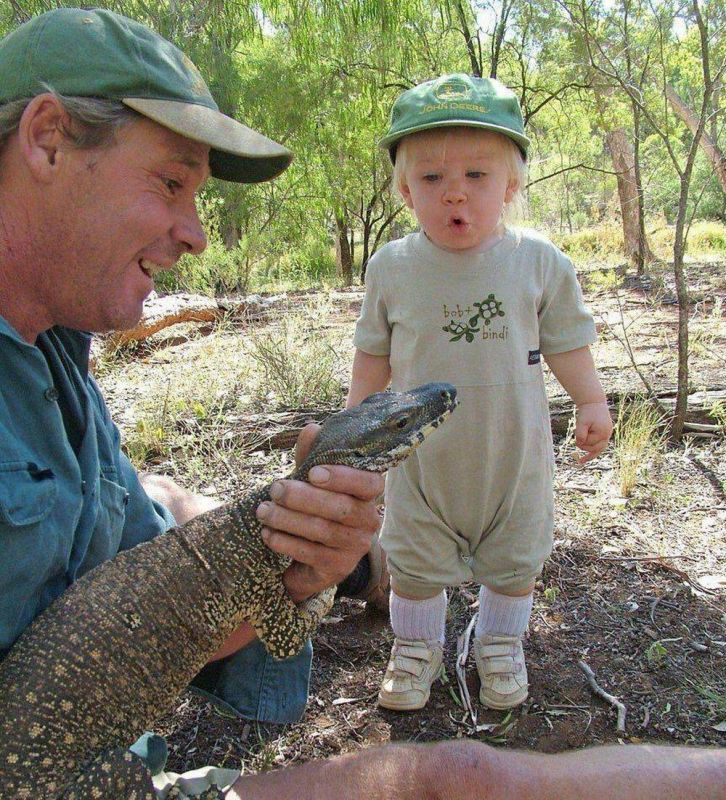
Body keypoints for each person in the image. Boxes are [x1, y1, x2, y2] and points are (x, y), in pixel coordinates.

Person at [0, 4, 387, 752]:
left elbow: (154, 633)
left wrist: (306, 576)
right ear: (48, 139)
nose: (197, 234)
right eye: (172, 182)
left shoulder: (54, 348)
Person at [347, 73, 614, 712]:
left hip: (512, 457)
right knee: (413, 561)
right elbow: (374, 351)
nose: (455, 192)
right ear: (405, 189)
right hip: (421, 462)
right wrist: (355, 421)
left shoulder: (539, 262)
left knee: (516, 560)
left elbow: (567, 340)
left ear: (510, 186)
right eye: (432, 177)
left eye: (477, 175)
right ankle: (415, 648)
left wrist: (591, 400)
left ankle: (500, 643)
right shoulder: (392, 266)